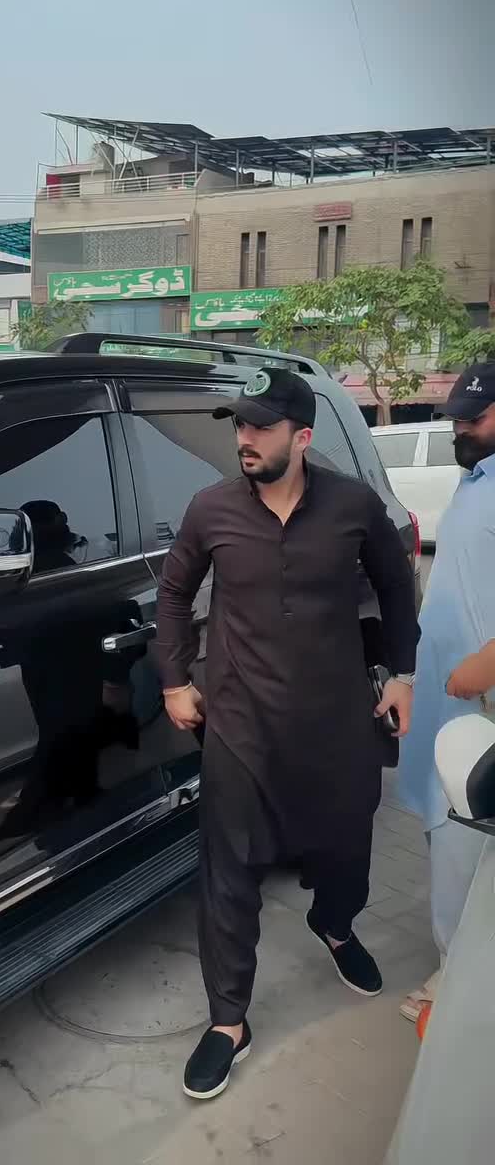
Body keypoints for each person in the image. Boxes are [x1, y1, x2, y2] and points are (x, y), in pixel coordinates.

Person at [155, 367, 419, 1100]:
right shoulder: (211, 509)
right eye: (239, 425)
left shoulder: (353, 505)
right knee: (229, 870)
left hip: (337, 717)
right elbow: (174, 594)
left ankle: (334, 925)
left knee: (347, 845)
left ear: (301, 438)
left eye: (260, 427)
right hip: (241, 722)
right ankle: (228, 1021)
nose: (245, 438)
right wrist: (174, 679)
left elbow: (396, 586)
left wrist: (403, 673)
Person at [398, 363, 495, 1022]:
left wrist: (489, 661)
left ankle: (459, 981)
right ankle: (458, 959)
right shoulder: (474, 478)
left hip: (481, 704)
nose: (462, 428)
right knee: (448, 827)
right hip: (444, 698)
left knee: (467, 837)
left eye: (475, 418)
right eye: (457, 416)